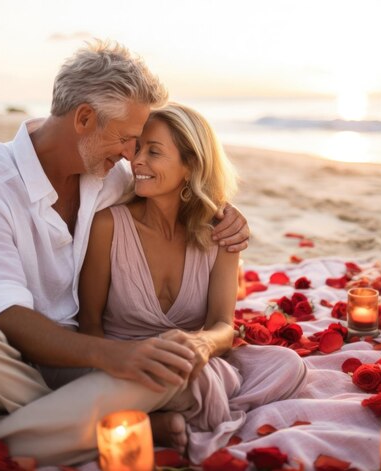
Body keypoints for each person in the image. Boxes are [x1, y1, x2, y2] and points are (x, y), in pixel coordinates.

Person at [0, 40, 250, 466]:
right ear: (83, 118)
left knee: (172, 366)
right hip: (16, 361)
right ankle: (128, 421)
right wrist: (117, 356)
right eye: (127, 139)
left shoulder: (108, 175)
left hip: (92, 363)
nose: (130, 155)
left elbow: (175, 192)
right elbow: (3, 314)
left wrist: (227, 216)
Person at [78, 103, 307, 463]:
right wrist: (110, 367)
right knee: (194, 380)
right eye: (137, 148)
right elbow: (89, 323)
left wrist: (201, 344)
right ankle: (157, 418)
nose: (137, 161)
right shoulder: (108, 226)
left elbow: (222, 326)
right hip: (125, 365)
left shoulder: (219, 234)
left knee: (289, 364)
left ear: (191, 166)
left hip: (190, 361)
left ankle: (165, 412)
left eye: (154, 152)